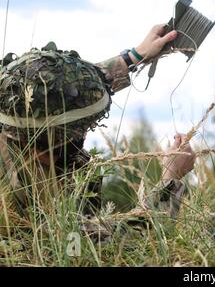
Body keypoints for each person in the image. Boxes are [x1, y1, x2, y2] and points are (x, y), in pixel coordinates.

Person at [0, 24, 196, 236]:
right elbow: (140, 237)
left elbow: (49, 91)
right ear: (59, 140)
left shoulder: (13, 111)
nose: (87, 131)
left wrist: (133, 57)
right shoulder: (40, 209)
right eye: (85, 126)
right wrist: (171, 178)